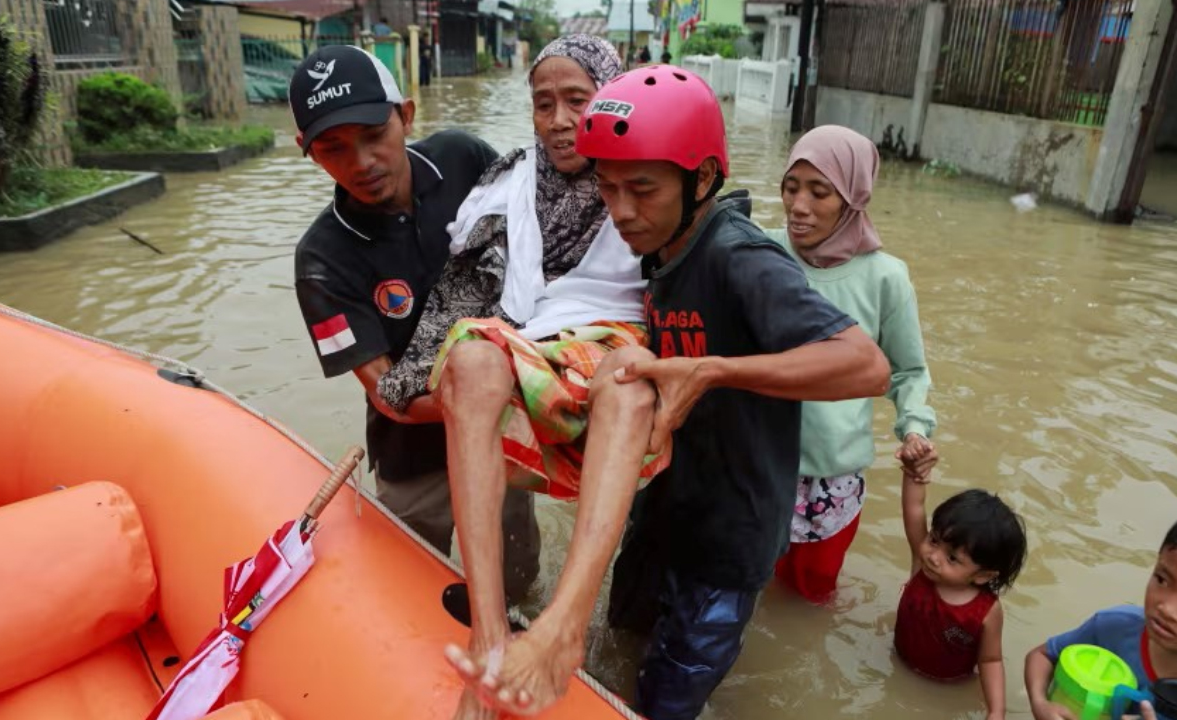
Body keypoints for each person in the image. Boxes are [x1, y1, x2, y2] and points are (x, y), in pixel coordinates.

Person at [583, 66, 892, 720]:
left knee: (666, 700)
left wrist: (716, 370)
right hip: (662, 510)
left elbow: (864, 364)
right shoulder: (658, 247)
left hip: (729, 536)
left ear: (701, 179)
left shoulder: (739, 255)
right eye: (606, 188)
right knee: (617, 646)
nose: (621, 211)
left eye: (642, 188)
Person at [374, 35, 659, 720]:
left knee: (627, 375)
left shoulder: (649, 180)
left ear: (612, 99)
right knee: (471, 355)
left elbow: (692, 287)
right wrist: (416, 380)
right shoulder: (506, 184)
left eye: (577, 102)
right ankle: (491, 634)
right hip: (534, 366)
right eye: (543, 104)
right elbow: (461, 297)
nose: (559, 121)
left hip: (614, 366)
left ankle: (563, 626)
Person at [288, 45, 540, 601]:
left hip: (504, 438)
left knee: (515, 583)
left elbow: (535, 249)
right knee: (406, 598)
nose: (361, 162)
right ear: (310, 155)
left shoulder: (463, 158)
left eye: (374, 134)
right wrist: (490, 400)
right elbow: (385, 391)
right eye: (333, 149)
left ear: (406, 114)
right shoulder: (321, 260)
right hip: (414, 463)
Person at [767, 125, 938, 604]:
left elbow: (907, 370)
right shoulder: (760, 252)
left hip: (831, 476)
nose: (798, 205)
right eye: (791, 187)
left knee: (809, 596)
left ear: (853, 198)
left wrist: (914, 429)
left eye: (819, 192)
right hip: (757, 460)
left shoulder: (887, 277)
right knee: (741, 585)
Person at [899, 479, 1027, 720]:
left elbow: (990, 660)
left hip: (948, 688)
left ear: (982, 576)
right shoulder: (922, 567)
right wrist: (913, 472)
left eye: (952, 558)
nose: (933, 557)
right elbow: (914, 508)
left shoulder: (987, 611)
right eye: (934, 540)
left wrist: (996, 711)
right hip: (898, 660)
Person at [1025, 521, 1177, 720]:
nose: (1167, 609)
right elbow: (1042, 656)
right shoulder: (1114, 626)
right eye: (1161, 579)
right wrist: (1040, 703)